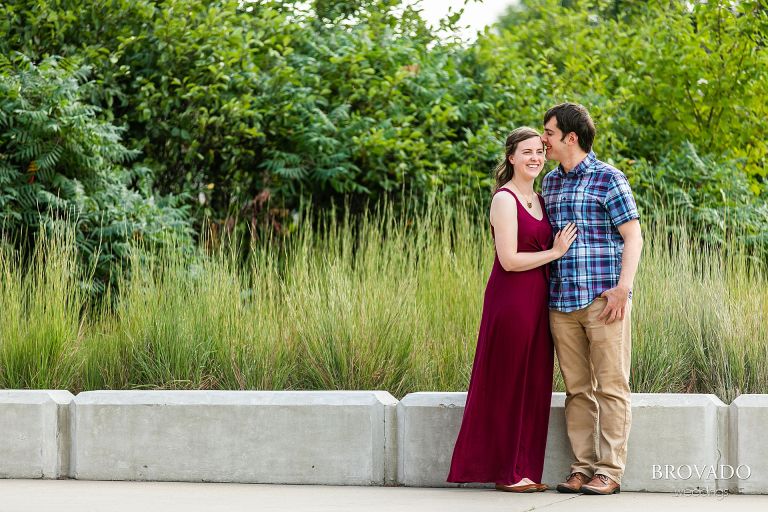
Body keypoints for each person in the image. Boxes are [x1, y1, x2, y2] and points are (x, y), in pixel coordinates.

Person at [447, 127, 577, 492]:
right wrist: (553, 253)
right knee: (508, 383)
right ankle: (505, 471)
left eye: (539, 151)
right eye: (526, 152)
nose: (535, 158)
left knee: (534, 383)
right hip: (512, 299)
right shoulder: (504, 199)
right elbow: (508, 260)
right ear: (511, 157)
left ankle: (524, 470)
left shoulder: (540, 196)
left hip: (540, 299)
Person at [540, 103, 643, 495]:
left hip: (605, 301)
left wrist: (623, 288)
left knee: (612, 387)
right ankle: (582, 467)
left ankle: (609, 471)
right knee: (577, 390)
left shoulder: (608, 178)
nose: (543, 138)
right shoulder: (549, 183)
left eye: (548, 132)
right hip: (561, 304)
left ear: (570, 137)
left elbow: (633, 236)